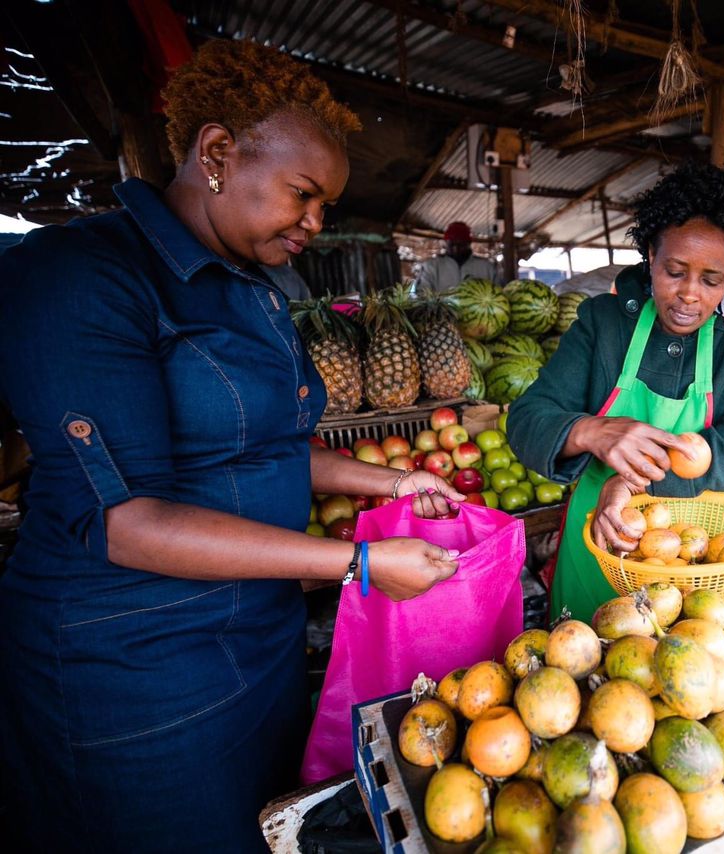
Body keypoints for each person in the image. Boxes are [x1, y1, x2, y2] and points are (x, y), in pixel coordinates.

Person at [0, 40, 463, 853]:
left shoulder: (251, 289)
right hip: (137, 674)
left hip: (256, 646)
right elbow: (126, 523)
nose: (316, 224)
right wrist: (356, 565)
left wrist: (389, 487)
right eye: (303, 195)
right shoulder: (83, 277)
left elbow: (278, 447)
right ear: (217, 153)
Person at [507, 163, 724, 621]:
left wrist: (632, 481)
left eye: (712, 280)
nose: (689, 295)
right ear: (650, 256)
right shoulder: (603, 322)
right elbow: (528, 417)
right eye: (674, 271)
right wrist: (592, 432)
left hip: (716, 557)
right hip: (604, 541)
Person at [415, 220, 498, 292]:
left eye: (461, 245)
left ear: (469, 244)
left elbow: (498, 292)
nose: (456, 249)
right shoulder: (431, 267)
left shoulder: (487, 268)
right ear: (446, 243)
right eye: (452, 244)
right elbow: (421, 295)